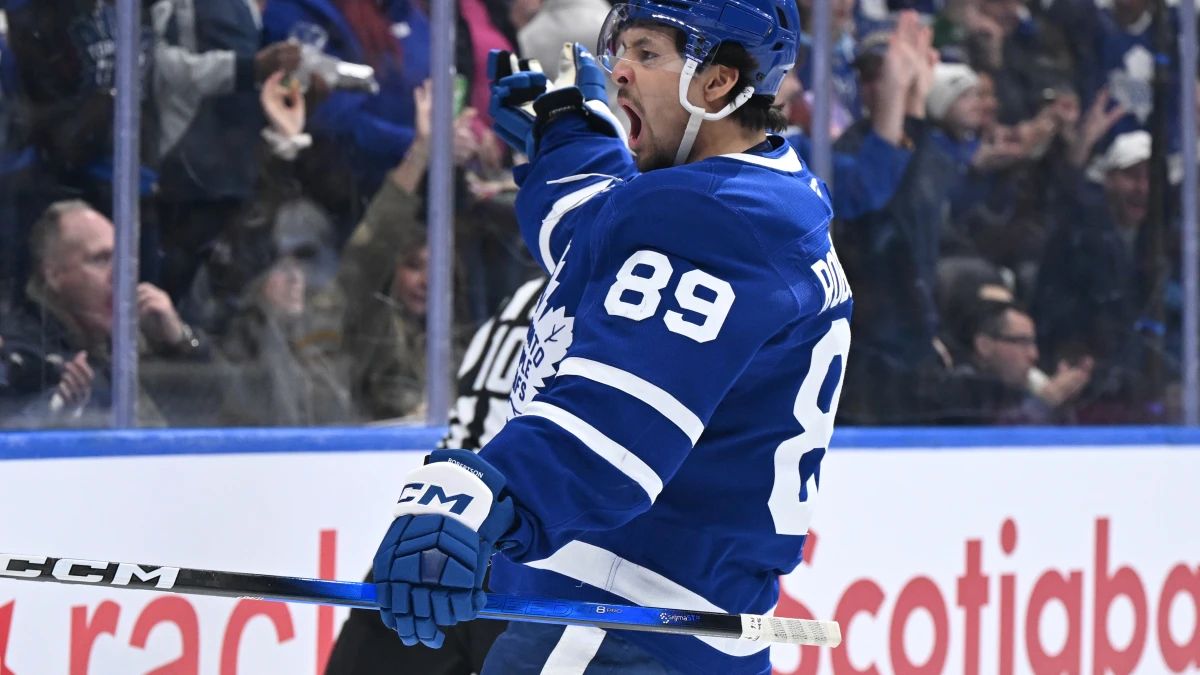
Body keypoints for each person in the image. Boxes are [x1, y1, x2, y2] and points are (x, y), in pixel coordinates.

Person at [370, 0, 852, 672]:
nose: (618, 70)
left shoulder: (713, 223)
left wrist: (480, 494)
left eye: (648, 53)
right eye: (620, 47)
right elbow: (595, 229)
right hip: (677, 630)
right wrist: (569, 137)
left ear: (718, 81)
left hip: (614, 623)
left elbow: (612, 424)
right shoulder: (753, 194)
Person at [0, 200, 208, 427]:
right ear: (54, 274)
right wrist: (56, 410)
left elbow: (218, 417)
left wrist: (181, 343)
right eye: (100, 260)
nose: (119, 275)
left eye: (122, 260)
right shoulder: (24, 357)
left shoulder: (140, 338)